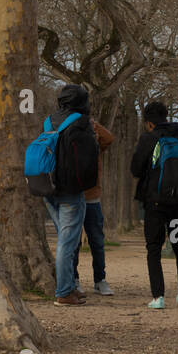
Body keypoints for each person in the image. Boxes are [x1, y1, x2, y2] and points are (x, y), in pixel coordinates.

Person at [130, 100, 178, 309]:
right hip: (177, 204)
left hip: (155, 203)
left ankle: (158, 297)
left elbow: (136, 169)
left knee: (154, 247)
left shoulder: (149, 138)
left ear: (148, 123)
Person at [43, 83, 99, 307]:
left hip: (47, 187)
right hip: (70, 190)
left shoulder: (49, 120)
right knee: (67, 242)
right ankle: (65, 291)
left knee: (65, 239)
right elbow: (89, 156)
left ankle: (70, 287)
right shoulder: (81, 122)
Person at [73, 115, 115, 295]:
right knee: (78, 241)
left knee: (94, 240)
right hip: (76, 195)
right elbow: (109, 138)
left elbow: (109, 138)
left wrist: (93, 125)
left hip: (89, 195)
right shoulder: (72, 132)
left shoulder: (92, 133)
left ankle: (98, 279)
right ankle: (80, 279)